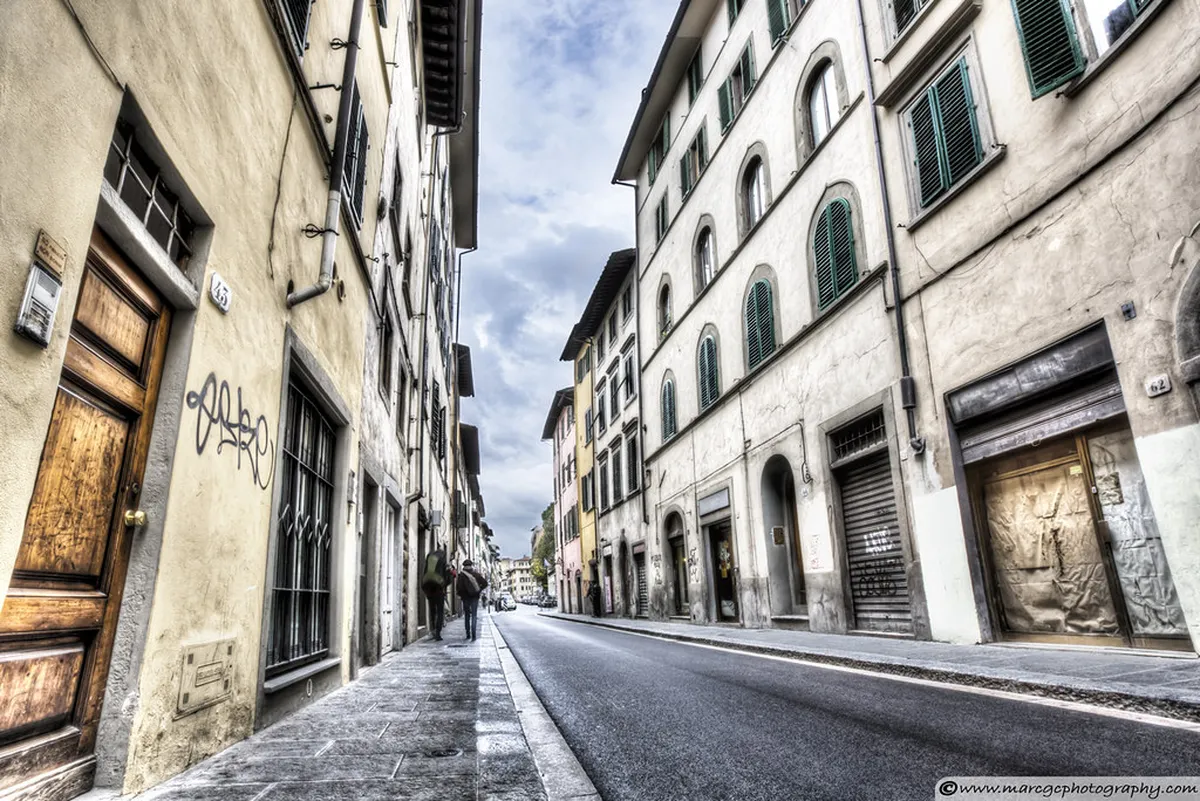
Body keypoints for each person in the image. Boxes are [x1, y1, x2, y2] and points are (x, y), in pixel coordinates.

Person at [421, 546, 451, 641]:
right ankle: (438, 633)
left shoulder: (429, 557)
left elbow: (425, 571)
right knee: (440, 611)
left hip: (428, 588)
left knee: (432, 610)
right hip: (439, 589)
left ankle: (433, 630)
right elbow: (447, 578)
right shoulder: (443, 560)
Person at [455, 559, 489, 641]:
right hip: (475, 597)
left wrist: (461, 595)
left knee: (467, 616)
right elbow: (485, 583)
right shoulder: (476, 574)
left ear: (464, 566)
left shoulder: (461, 576)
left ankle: (468, 634)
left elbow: (458, 588)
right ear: (471, 565)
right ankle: (474, 634)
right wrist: (479, 590)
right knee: (474, 615)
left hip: (465, 598)